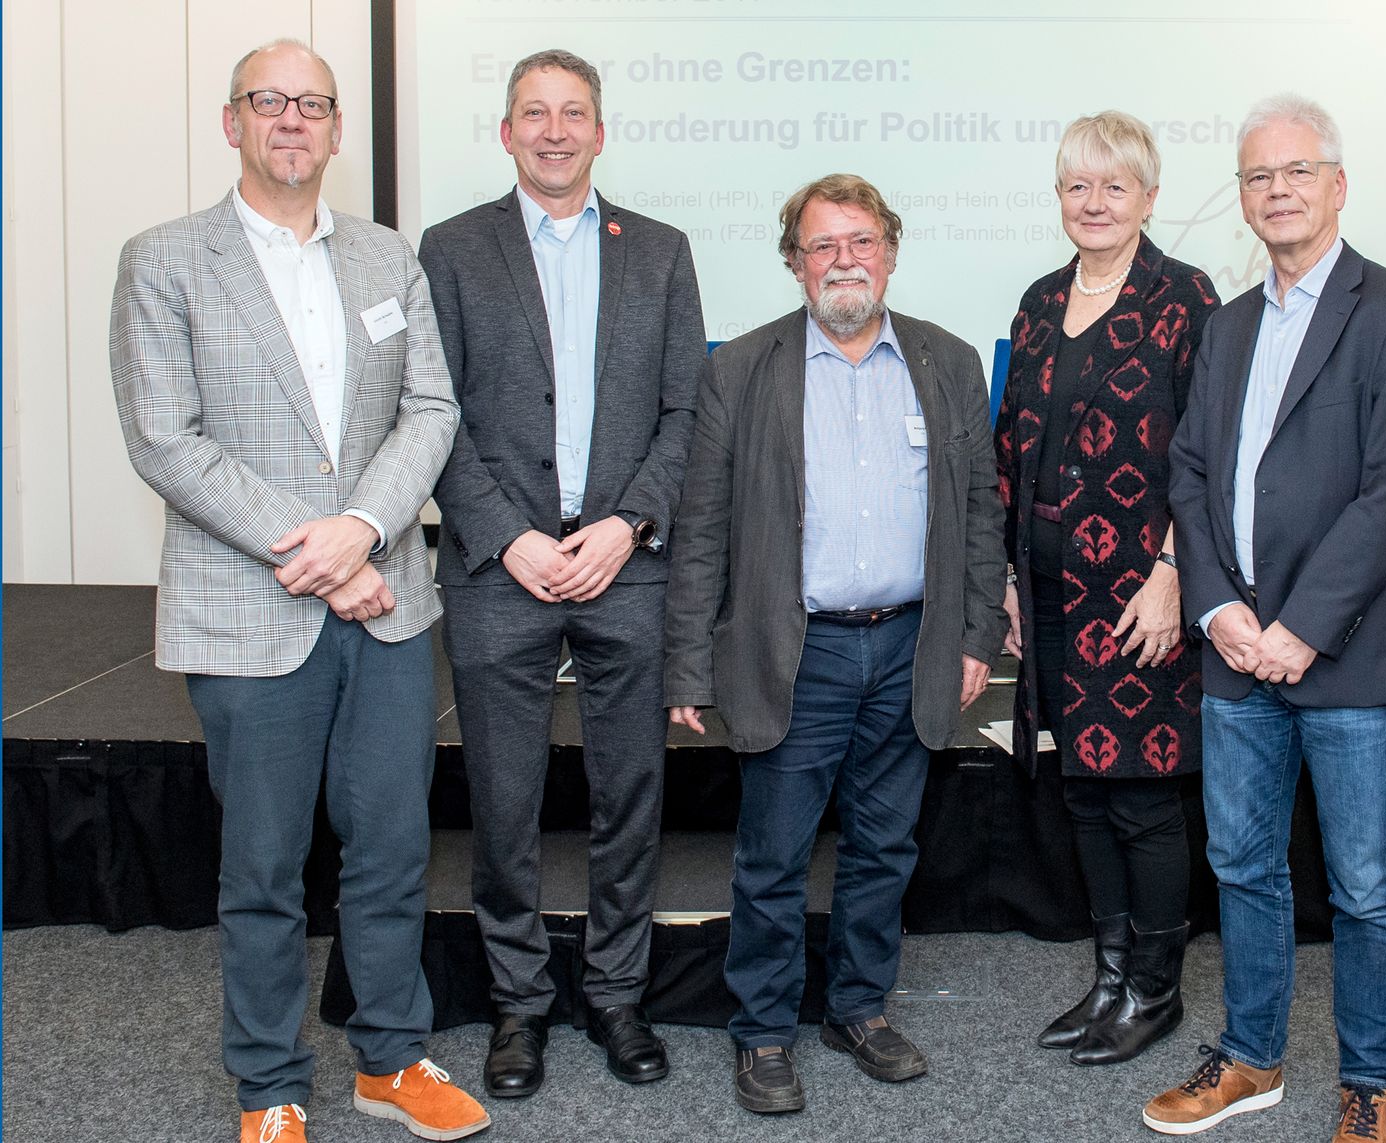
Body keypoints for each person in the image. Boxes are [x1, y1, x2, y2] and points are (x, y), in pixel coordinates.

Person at [109, 38, 489, 1143]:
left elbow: (431, 410)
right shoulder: (167, 259)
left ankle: (388, 1060)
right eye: (268, 103)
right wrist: (316, 548)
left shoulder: (386, 260)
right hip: (247, 610)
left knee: (390, 849)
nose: (292, 121)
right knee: (265, 866)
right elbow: (163, 439)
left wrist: (365, 530)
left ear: (333, 129)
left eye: (312, 105)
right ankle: (270, 1085)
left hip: (385, 609)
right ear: (232, 122)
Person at [662, 173, 1007, 1115]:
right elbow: (701, 527)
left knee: (885, 846)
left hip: (912, 644)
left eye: (861, 241)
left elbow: (979, 511)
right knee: (773, 855)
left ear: (890, 252)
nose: (843, 260)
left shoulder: (947, 361)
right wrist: (690, 660)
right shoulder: (743, 368)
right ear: (793, 262)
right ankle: (764, 1028)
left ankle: (858, 1007)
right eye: (823, 245)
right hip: (796, 651)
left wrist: (980, 631)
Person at [1144, 93, 1386, 1143]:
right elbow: (1189, 475)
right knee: (1240, 867)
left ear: (1337, 185)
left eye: (1295, 172)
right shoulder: (1227, 326)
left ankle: (1369, 1084)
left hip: (1347, 654)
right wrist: (1221, 605)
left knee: (1364, 886)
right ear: (1241, 199)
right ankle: (1251, 1060)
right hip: (1235, 652)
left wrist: (1302, 626)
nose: (1275, 191)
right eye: (1256, 177)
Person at [418, 49, 709, 1099]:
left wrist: (630, 523)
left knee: (629, 795)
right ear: (505, 134)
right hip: (503, 567)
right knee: (503, 800)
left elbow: (686, 412)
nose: (552, 129)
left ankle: (617, 993)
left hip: (624, 565)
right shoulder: (450, 250)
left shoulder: (661, 252)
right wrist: (507, 535)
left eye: (571, 113)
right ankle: (518, 1004)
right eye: (532, 113)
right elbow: (432, 414)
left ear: (599, 131)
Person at [993, 111, 1218, 1067]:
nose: (1093, 203)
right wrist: (1004, 573)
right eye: (1077, 186)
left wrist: (1174, 573)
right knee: (1084, 792)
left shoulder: (1184, 298)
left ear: (1149, 199)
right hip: (1047, 590)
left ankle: (1155, 992)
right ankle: (1111, 975)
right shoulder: (1040, 302)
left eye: (1113, 187)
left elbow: (1206, 454)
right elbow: (1011, 449)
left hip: (1138, 594)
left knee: (1142, 798)